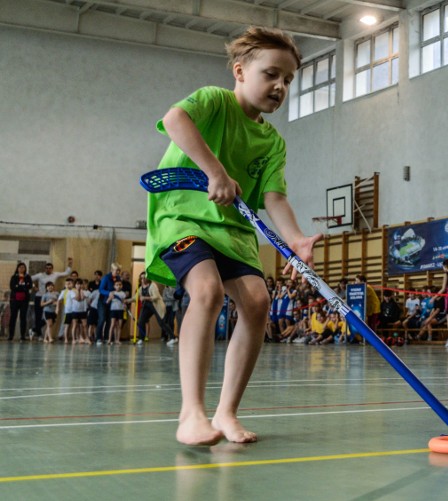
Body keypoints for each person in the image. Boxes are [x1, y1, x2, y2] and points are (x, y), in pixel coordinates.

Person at [143, 27, 320, 446]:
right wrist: (216, 172)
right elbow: (174, 120)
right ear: (240, 71)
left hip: (235, 227)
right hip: (183, 216)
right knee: (206, 291)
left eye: (288, 80)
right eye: (271, 74)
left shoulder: (273, 141)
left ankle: (226, 412)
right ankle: (191, 413)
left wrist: (295, 239)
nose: (280, 86)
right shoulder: (213, 101)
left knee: (258, 302)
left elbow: (274, 196)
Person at [30, 258, 73, 339]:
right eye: (47, 268)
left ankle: (34, 329)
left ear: (52, 269)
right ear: (45, 268)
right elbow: (29, 279)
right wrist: (34, 287)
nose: (48, 269)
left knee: (49, 317)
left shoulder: (55, 274)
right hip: (40, 297)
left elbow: (66, 273)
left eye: (50, 268)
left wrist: (70, 264)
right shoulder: (40, 275)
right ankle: (39, 334)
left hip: (50, 298)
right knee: (38, 316)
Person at [130, 275, 174, 345]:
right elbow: (135, 297)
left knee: (161, 323)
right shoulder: (141, 288)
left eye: (144, 277)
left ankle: (173, 337)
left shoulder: (153, 285)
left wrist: (145, 298)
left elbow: (156, 297)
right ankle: (141, 338)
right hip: (146, 307)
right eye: (141, 278)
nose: (143, 279)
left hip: (156, 306)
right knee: (141, 321)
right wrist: (126, 300)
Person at [97, 264, 123, 344]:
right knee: (102, 319)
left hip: (112, 302)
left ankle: (106, 337)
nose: (118, 272)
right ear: (112, 270)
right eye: (116, 270)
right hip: (103, 301)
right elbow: (101, 289)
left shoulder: (118, 278)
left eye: (119, 270)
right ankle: (98, 338)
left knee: (109, 320)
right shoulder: (106, 278)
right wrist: (109, 293)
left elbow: (117, 290)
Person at [8, 263, 33, 342]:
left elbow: (29, 286)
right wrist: (22, 286)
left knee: (23, 317)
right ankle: (11, 335)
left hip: (24, 301)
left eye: (23, 267)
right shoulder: (14, 277)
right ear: (17, 268)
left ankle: (22, 336)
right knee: (13, 317)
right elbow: (12, 287)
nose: (22, 269)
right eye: (20, 267)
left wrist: (20, 286)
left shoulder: (27, 277)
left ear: (25, 269)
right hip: (14, 300)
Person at [107, 280, 128, 345]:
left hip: (120, 310)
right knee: (112, 325)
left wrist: (125, 305)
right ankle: (109, 339)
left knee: (119, 326)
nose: (118, 286)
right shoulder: (112, 293)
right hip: (113, 310)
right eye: (117, 285)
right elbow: (107, 302)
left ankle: (117, 340)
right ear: (114, 286)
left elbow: (124, 302)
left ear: (121, 286)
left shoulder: (123, 293)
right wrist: (110, 298)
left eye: (120, 285)